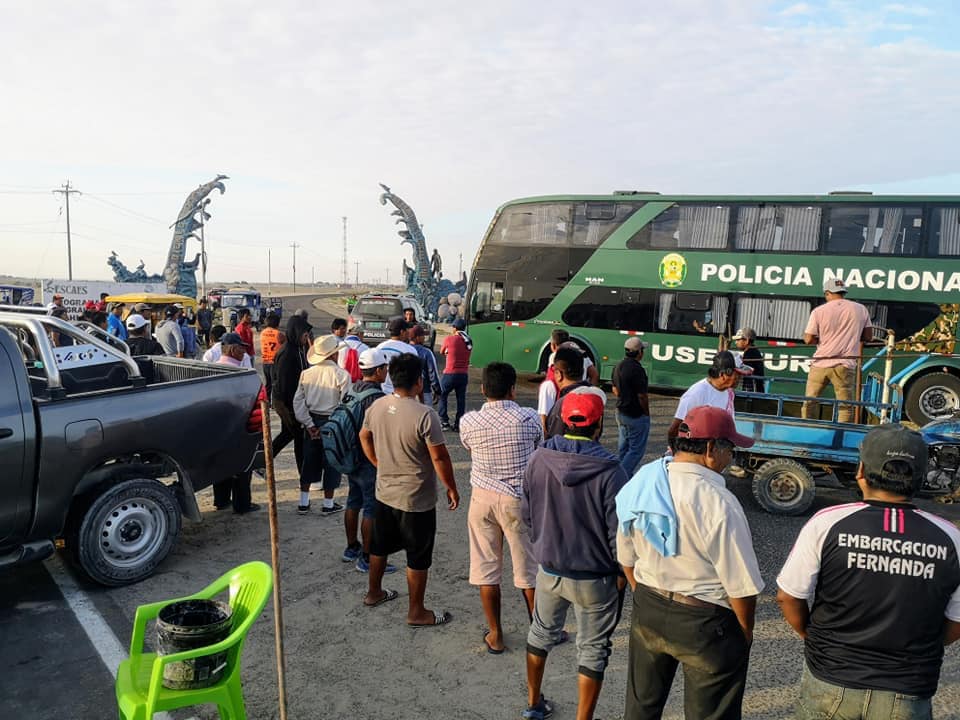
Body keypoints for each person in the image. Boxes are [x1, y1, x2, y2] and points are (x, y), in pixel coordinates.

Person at [776, 423, 960, 719]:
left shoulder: (826, 523)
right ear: (922, 476)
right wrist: (922, 648)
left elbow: (788, 596)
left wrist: (813, 636)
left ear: (861, 470)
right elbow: (956, 622)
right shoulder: (951, 538)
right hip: (908, 690)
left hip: (830, 681)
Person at [618, 405, 763, 719]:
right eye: (730, 449)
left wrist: (646, 595)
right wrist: (744, 633)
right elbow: (741, 587)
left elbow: (626, 556)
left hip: (649, 604)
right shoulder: (720, 502)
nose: (730, 458)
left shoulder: (644, 482)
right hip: (704, 621)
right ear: (711, 449)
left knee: (641, 707)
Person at [522, 391, 629, 720]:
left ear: (564, 420)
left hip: (550, 568)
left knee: (540, 634)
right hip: (595, 577)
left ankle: (533, 703)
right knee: (593, 650)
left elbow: (527, 513)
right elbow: (618, 532)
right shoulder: (612, 470)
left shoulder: (538, 458)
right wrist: (623, 572)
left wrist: (543, 545)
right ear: (599, 424)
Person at [359, 353, 460, 626]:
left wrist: (377, 462)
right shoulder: (425, 415)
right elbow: (439, 457)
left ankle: (374, 592)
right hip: (416, 498)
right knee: (418, 555)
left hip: (385, 492)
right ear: (419, 382)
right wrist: (451, 487)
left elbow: (364, 436)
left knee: (379, 546)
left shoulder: (378, 406)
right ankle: (416, 611)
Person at [460, 362, 542, 654]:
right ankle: (540, 631)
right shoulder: (529, 418)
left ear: (483, 389)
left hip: (482, 499)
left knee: (486, 569)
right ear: (513, 389)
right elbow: (538, 446)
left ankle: (495, 634)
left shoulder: (468, 422)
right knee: (528, 569)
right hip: (517, 501)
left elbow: (469, 447)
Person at [342, 348, 396, 575]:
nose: (387, 372)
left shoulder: (352, 389)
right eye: (385, 368)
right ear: (379, 370)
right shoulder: (378, 399)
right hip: (369, 459)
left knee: (353, 502)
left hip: (350, 456)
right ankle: (367, 557)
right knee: (371, 509)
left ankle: (351, 547)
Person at [293, 334, 351, 515]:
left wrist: (309, 424)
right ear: (334, 354)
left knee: (309, 459)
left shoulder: (306, 374)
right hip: (333, 422)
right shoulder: (342, 375)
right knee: (332, 461)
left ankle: (303, 502)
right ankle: (328, 503)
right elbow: (345, 404)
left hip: (311, 420)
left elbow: (298, 402)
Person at [802, 277, 872, 423]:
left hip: (820, 363)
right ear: (843, 292)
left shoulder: (818, 311)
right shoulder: (861, 309)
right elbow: (868, 337)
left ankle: (807, 429)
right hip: (845, 365)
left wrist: (822, 341)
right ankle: (842, 433)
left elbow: (808, 339)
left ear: (827, 293)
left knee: (810, 402)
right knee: (845, 406)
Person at [209, 332, 260, 514]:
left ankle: (221, 499)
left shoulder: (211, 370)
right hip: (238, 427)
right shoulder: (241, 374)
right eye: (241, 349)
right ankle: (242, 504)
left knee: (220, 464)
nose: (244, 352)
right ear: (232, 349)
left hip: (215, 428)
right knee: (242, 467)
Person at [666, 350, 750, 443]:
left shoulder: (729, 392)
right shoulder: (696, 394)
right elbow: (675, 430)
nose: (740, 378)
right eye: (738, 374)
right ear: (723, 374)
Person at [271, 315, 314, 473]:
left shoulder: (298, 349)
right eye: (304, 335)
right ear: (296, 333)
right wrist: (294, 409)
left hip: (293, 400)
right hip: (285, 402)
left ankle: (263, 461)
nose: (306, 339)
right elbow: (284, 385)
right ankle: (304, 473)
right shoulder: (287, 353)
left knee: (288, 433)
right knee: (298, 434)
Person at [612, 337, 650, 476]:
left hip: (620, 411)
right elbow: (642, 396)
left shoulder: (618, 366)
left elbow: (615, 390)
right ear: (639, 352)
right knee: (636, 450)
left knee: (623, 448)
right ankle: (620, 476)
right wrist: (646, 413)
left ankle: (620, 474)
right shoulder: (638, 370)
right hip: (635, 414)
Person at [543, 346, 592, 439]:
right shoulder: (594, 397)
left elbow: (555, 440)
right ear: (582, 371)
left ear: (559, 374)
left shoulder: (562, 404)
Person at [439, 318, 472, 431]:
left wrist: (448, 352)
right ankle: (458, 424)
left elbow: (442, 351)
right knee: (460, 399)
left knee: (442, 395)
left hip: (450, 373)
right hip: (463, 374)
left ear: (454, 328)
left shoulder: (449, 339)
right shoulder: (468, 340)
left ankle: (444, 421)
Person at [378, 318, 418, 394]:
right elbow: (415, 374)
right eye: (407, 331)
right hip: (401, 393)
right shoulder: (409, 350)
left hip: (381, 391)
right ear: (402, 332)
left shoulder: (380, 347)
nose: (408, 333)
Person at [409, 324, 441, 406]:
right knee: (426, 413)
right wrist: (437, 391)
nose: (424, 338)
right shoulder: (426, 352)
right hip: (424, 391)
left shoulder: (404, 350)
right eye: (422, 336)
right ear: (417, 337)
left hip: (407, 393)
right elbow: (433, 374)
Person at [732, 327, 764, 393]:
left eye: (738, 340)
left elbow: (746, 371)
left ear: (746, 340)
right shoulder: (753, 350)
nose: (736, 342)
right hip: (755, 390)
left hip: (752, 391)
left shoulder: (749, 352)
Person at [260, 312, 283, 401]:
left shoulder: (263, 333)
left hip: (265, 362)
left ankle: (267, 401)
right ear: (277, 323)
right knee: (275, 384)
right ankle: (275, 402)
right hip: (275, 362)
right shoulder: (279, 334)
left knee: (268, 383)